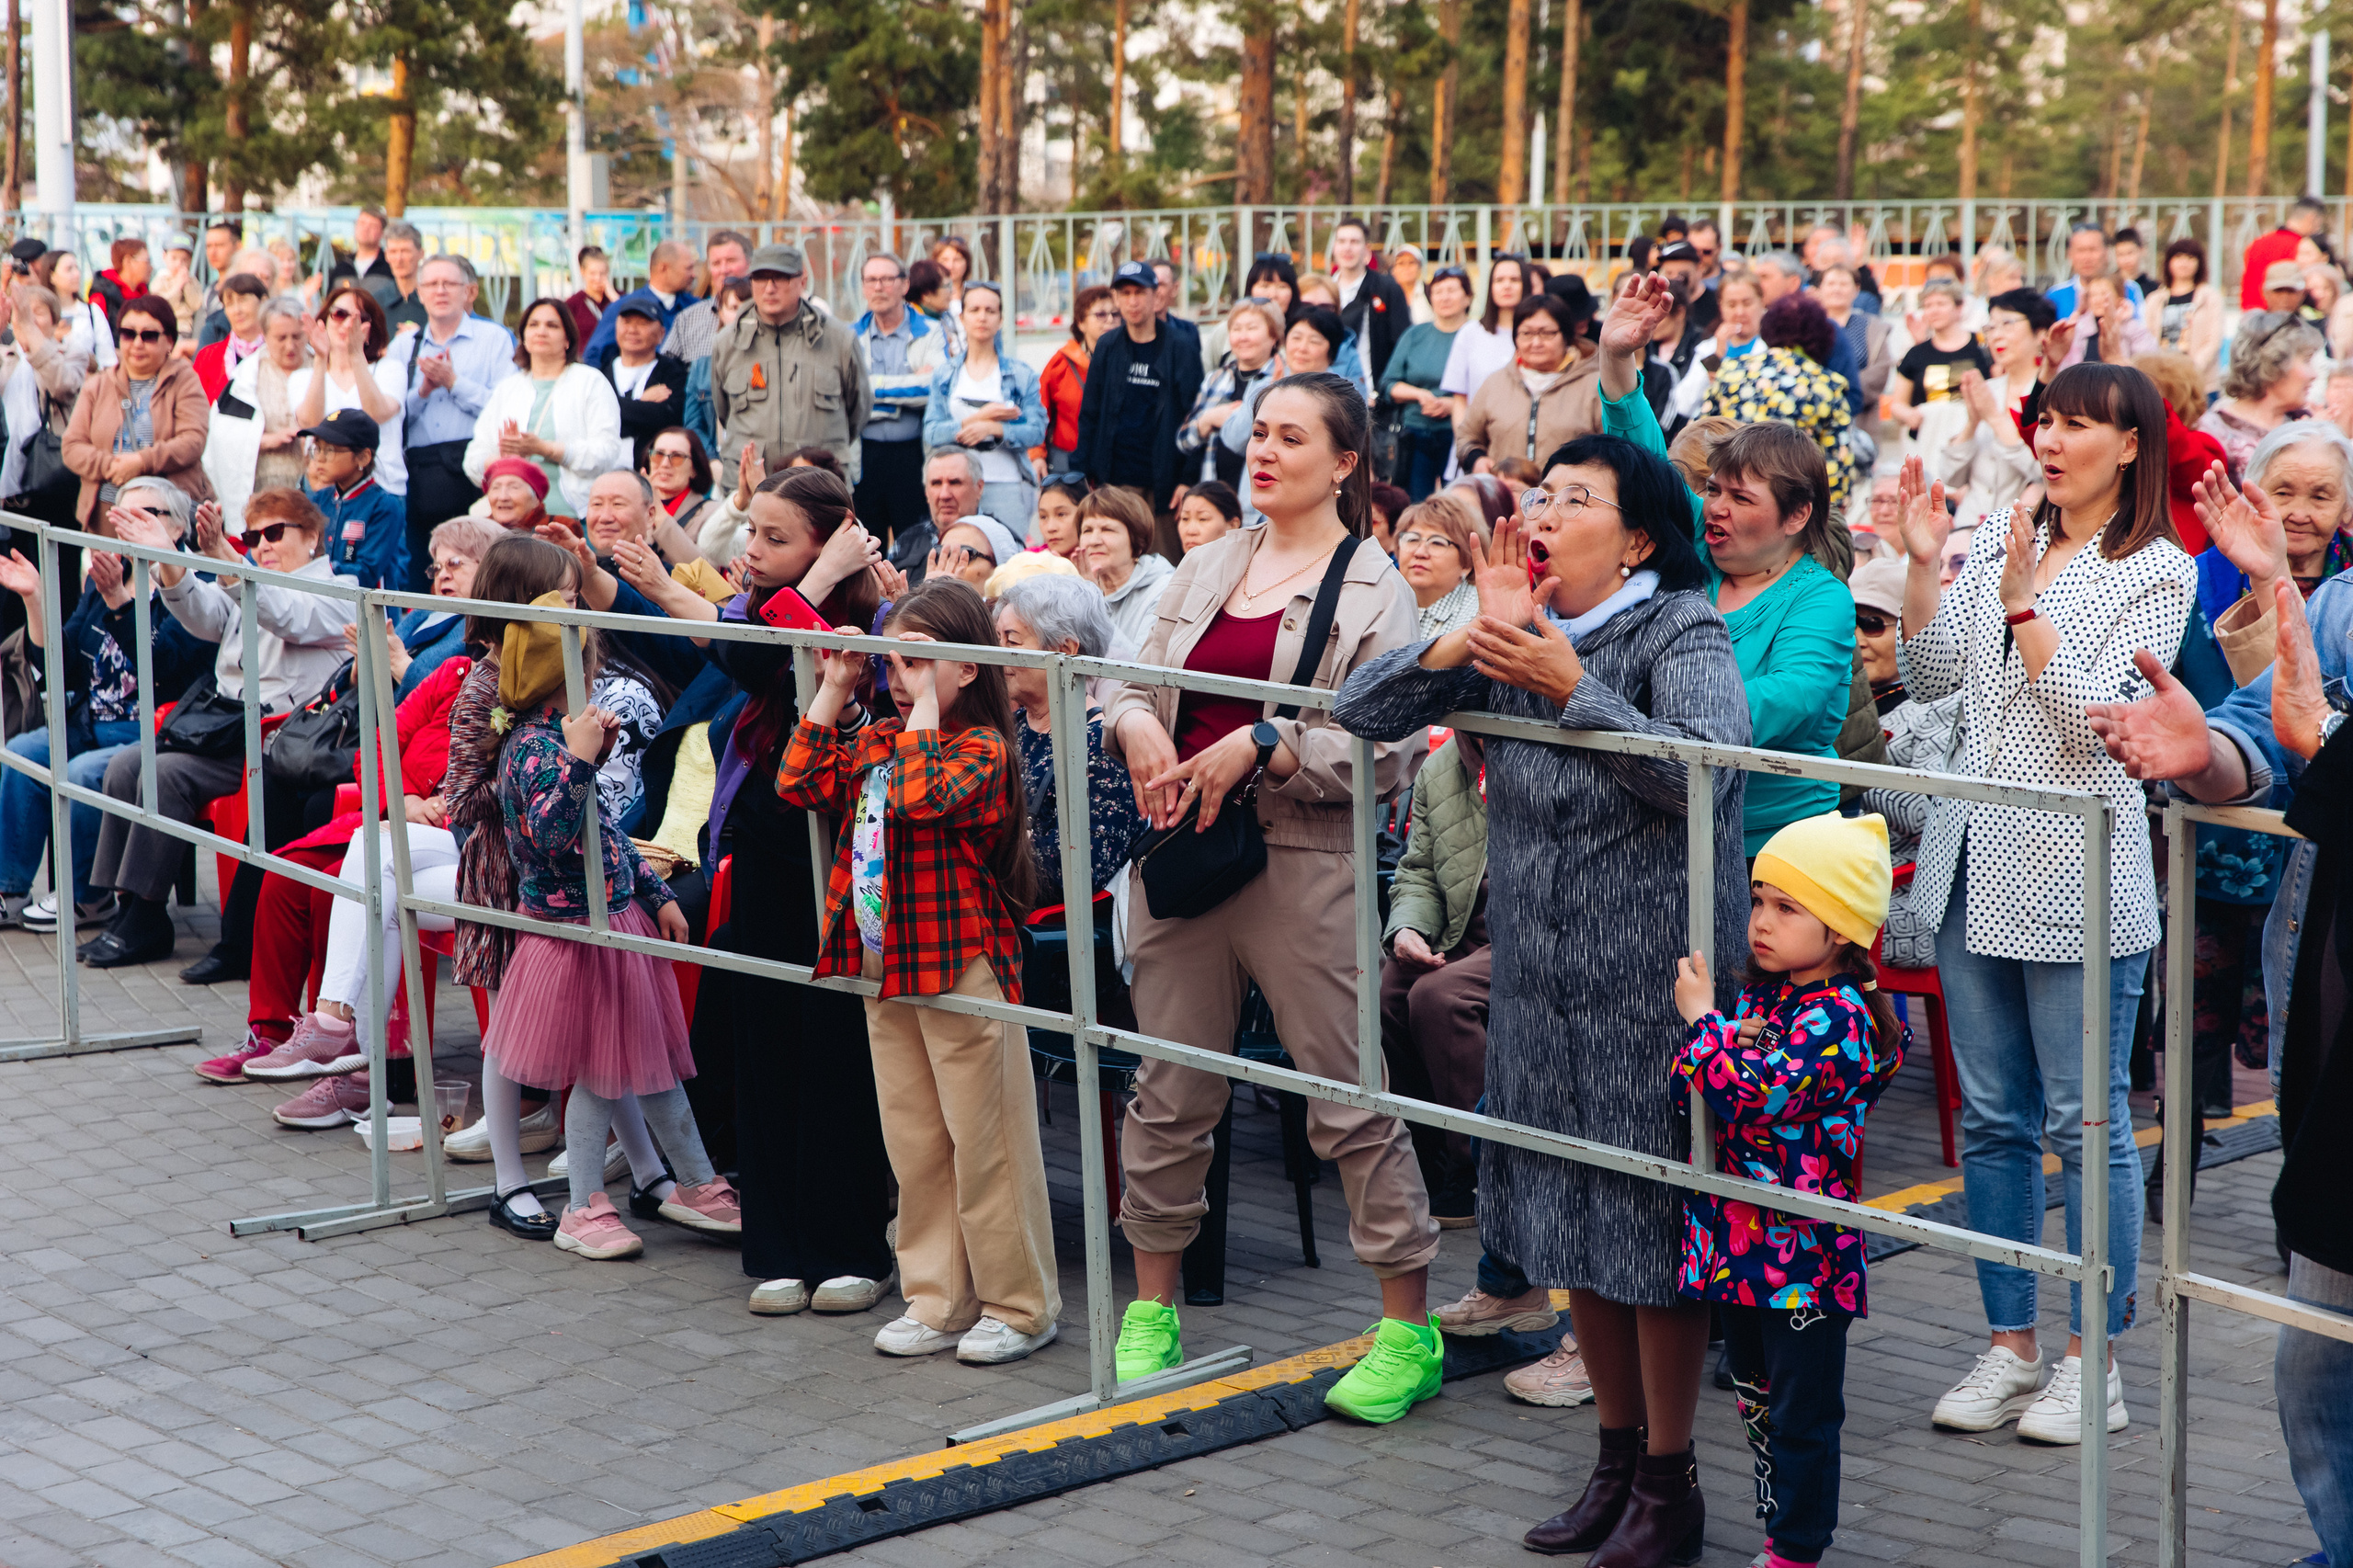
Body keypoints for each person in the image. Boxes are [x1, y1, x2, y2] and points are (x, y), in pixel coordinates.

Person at [1335, 426, 1747, 1542]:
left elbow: (1703, 772)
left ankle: (1671, 1480)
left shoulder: (1679, 623)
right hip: (1537, 977)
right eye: (1544, 494)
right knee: (1573, 1229)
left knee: (1653, 1238)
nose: (1548, 513)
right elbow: (1358, 710)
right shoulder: (1514, 626)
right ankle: (1614, 1465)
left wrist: (1574, 686)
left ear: (1637, 537)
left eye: (1577, 499)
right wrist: (1475, 629)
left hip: (1652, 984)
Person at [1103, 372, 1439, 1424]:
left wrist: (1268, 744)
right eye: (1256, 431)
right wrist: (1134, 725)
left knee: (1347, 1096)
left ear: (1345, 463)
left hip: (1299, 859)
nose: (1263, 451)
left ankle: (1406, 1326)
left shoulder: (1379, 586)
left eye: (1291, 437)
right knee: (1170, 1086)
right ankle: (1152, 1310)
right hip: (1180, 854)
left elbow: (1384, 749)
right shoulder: (1207, 561)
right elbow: (1123, 680)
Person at [1887, 362, 2196, 1444]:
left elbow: (2096, 723)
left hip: (2078, 869)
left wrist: (2020, 598)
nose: (2052, 441)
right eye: (2047, 420)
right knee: (1992, 1117)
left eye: (2078, 425)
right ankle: (2008, 1342)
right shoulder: (2007, 522)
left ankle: (2091, 1354)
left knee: (2087, 1118)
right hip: (1973, 858)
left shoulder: (2160, 569)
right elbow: (1929, 677)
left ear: (2131, 446)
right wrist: (1928, 569)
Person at [617, 464, 897, 1313]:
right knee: (766, 1041)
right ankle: (773, 1243)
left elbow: (763, 652)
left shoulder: (882, 617)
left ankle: (851, 1245)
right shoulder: (763, 602)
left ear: (835, 540)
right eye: (753, 533)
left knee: (837, 1047)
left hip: (848, 859)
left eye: (779, 538)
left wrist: (814, 582)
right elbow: (743, 648)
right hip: (768, 847)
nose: (755, 551)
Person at [778, 574, 1061, 1364]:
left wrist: (924, 715)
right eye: (893, 661)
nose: (899, 677)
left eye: (921, 660)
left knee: (986, 1142)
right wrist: (834, 688)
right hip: (885, 959)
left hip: (961, 963)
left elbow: (922, 797)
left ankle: (1021, 1305)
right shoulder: (884, 739)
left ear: (969, 667)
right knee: (916, 1142)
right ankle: (937, 1297)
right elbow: (796, 780)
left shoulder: (981, 749)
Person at [477, 593, 740, 1260]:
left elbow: (607, 836)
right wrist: (582, 761)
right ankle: (584, 1202)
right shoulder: (533, 749)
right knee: (602, 1071)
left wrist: (655, 893)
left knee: (654, 1067)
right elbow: (551, 832)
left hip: (618, 922)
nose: (596, 677)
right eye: (586, 664)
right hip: (572, 935)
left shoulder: (565, 735)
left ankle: (696, 1180)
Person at [1672, 814, 1903, 1568]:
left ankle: (1796, 1547)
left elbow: (1750, 1095)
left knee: (1801, 1412)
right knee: (1756, 1399)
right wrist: (1715, 1046)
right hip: (1742, 1246)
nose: (1762, 923)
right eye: (1759, 900)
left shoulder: (1837, 1019)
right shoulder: (1766, 1001)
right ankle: (1782, 1534)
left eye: (1787, 907)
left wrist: (1706, 1029)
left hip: (1804, 1257)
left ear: (1839, 929)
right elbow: (1689, 1089)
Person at [80, 488, 350, 969]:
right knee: (125, 765)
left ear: (312, 538)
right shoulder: (252, 581)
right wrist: (170, 560)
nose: (262, 544)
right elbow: (202, 614)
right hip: (223, 727)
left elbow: (287, 615)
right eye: (252, 536)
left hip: (275, 741)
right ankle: (128, 906)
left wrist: (228, 558)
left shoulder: (339, 592)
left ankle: (146, 915)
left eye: (274, 532)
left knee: (163, 774)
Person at [0, 480, 213, 932]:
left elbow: (166, 671)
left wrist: (122, 602)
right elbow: (63, 665)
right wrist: (35, 600)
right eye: (119, 516)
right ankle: (10, 890)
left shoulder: (196, 587)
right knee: (20, 755)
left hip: (158, 729)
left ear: (176, 529)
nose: (124, 526)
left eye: (142, 515)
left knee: (82, 775)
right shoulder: (108, 575)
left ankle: (89, 899)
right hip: (92, 721)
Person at [1379, 723, 1491, 1231]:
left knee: (1439, 997)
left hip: (1533, 936)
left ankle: (1478, 1166)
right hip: (1461, 929)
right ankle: (1421, 1157)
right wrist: (1407, 929)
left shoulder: (1548, 757)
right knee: (1390, 989)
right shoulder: (1443, 767)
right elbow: (1418, 868)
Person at [993, 574, 1147, 906]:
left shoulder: (1103, 747)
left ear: (1066, 651)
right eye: (997, 640)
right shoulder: (1013, 725)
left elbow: (1077, 871)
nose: (999, 654)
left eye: (1013, 642)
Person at [389, 253, 517, 591]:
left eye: (450, 283)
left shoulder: (494, 339)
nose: (440, 291)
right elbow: (390, 416)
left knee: (478, 569)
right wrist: (425, 391)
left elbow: (509, 408)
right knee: (422, 571)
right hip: (420, 475)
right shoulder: (404, 346)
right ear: (419, 292)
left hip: (472, 471)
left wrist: (455, 383)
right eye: (431, 284)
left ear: (469, 292)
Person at [710, 244, 872, 489]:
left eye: (781, 278)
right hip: (750, 487)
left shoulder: (838, 340)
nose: (770, 288)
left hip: (819, 487)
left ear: (802, 280)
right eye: (761, 278)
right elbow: (723, 410)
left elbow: (858, 410)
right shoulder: (728, 342)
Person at [462, 297, 626, 522]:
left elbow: (607, 453)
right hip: (515, 523)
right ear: (524, 338)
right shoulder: (508, 388)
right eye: (533, 325)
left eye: (552, 325)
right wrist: (504, 459)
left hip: (575, 516)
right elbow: (473, 460)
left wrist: (544, 448)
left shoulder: (590, 382)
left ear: (567, 339)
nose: (541, 331)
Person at [61, 296, 210, 528]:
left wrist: (142, 461)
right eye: (129, 334)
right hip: (107, 513)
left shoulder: (185, 380)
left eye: (149, 336)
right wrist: (113, 466)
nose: (137, 343)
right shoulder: (98, 384)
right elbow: (72, 447)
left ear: (169, 341)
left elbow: (192, 441)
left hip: (166, 515)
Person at [1074, 260, 1203, 511]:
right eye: (1126, 293)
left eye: (1140, 292)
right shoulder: (1108, 346)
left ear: (1155, 296)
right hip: (1114, 482)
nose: (1133, 302)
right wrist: (1082, 474)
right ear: (1116, 298)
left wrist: (1189, 480)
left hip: (1165, 485)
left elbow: (1196, 416)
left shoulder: (1181, 347)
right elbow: (1090, 414)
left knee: (1165, 552)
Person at [922, 279, 1045, 537]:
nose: (982, 317)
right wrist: (979, 418)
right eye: (975, 310)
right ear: (962, 317)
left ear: (1001, 319)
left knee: (1009, 563)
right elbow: (932, 433)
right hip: (957, 488)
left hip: (1007, 483)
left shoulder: (1020, 374)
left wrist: (995, 428)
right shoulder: (945, 374)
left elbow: (1036, 430)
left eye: (990, 311)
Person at [851, 251, 949, 549]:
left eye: (886, 279)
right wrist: (903, 388)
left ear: (904, 285)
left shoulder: (929, 332)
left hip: (912, 454)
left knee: (916, 544)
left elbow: (933, 388)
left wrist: (873, 388)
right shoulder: (849, 336)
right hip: (863, 456)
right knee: (868, 547)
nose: (878, 287)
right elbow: (847, 393)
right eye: (871, 280)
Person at [1936, 289, 2052, 532]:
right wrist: (1972, 423)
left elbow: (2043, 469)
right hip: (1968, 529)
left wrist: (1995, 419)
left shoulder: (2055, 394)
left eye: (2007, 324)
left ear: (2040, 333)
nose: (1997, 336)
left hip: (2025, 531)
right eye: (1991, 328)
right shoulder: (1986, 390)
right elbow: (1950, 477)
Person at [1454, 293, 1601, 478]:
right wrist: (1476, 459)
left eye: (1547, 333)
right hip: (1506, 497)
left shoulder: (1594, 385)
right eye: (1526, 333)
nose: (1536, 343)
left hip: (1567, 497)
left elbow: (1610, 446)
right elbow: (1467, 436)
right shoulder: (1495, 383)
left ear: (1567, 336)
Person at [290, 284, 408, 505]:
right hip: (323, 493)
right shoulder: (302, 377)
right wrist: (320, 358)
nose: (348, 324)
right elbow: (311, 423)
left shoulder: (390, 369)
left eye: (360, 318)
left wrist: (356, 355)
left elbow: (377, 414)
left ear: (372, 327)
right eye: (340, 314)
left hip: (383, 491)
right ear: (324, 320)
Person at [1385, 265, 1475, 499]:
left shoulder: (1477, 336)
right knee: (1416, 503)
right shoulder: (1414, 335)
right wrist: (1419, 394)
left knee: (1458, 502)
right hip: (1416, 433)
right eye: (1438, 291)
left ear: (1468, 297)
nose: (1444, 297)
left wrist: (1452, 405)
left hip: (1460, 435)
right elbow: (1389, 384)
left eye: (1452, 290)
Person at [1179, 299, 1286, 493]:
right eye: (1236, 329)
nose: (1242, 337)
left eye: (1252, 328)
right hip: (1216, 495)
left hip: (1264, 495)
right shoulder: (1216, 378)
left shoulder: (1284, 378)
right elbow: (1184, 441)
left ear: (1274, 335)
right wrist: (1207, 421)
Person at [2200, 312, 2323, 479]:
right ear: (2274, 363)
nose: (2314, 374)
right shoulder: (2213, 432)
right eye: (2307, 360)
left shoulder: (2305, 422)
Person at [301, 407, 407, 590]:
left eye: (330, 450)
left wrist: (314, 569)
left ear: (363, 457)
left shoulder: (384, 506)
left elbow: (367, 572)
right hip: (322, 602)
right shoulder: (317, 501)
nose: (319, 458)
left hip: (369, 612)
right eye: (317, 449)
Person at [2136, 351, 2230, 555]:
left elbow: (2181, 455)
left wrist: (2156, 409)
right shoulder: (2131, 444)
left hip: (2174, 559)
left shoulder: (2201, 445)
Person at [1889, 279, 1991, 439]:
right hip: (1930, 437)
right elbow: (1898, 404)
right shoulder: (1916, 354)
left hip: (1976, 434)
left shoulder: (1982, 347)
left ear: (1959, 308)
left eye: (1941, 304)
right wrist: (1909, 414)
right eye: (1928, 306)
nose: (1934, 311)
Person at [595, 296, 689, 465]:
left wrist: (615, 411)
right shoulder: (599, 375)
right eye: (627, 322)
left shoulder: (672, 373)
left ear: (661, 334)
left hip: (651, 473)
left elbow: (667, 419)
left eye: (643, 323)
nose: (632, 330)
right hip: (602, 474)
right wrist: (641, 403)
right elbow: (592, 424)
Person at [1438, 256, 1540, 415]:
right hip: (1477, 434)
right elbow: (1460, 400)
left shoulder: (1540, 335)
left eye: (1514, 280)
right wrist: (1466, 440)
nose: (1507, 286)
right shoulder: (1470, 332)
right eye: (1499, 280)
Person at [1075, 483, 1172, 647]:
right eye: (1087, 530)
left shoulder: (1164, 591)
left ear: (1136, 541)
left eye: (1107, 530)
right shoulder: (1079, 589)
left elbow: (1138, 667)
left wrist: (1095, 607)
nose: (1094, 541)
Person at [579, 238, 698, 366]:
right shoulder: (623, 308)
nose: (694, 274)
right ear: (664, 268)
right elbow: (594, 356)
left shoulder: (697, 308)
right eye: (688, 268)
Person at [1039, 286, 1114, 479]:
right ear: (1081, 322)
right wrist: (1037, 455)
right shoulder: (1061, 363)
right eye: (1100, 315)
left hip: (1115, 464)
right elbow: (1039, 411)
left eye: (1115, 314)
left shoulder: (1128, 359)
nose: (1110, 320)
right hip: (1069, 464)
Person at [1330, 218, 1411, 387]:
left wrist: (1384, 390)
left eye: (1355, 242)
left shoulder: (1388, 289)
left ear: (1366, 249)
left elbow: (1401, 343)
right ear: (1334, 247)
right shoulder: (1325, 290)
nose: (1347, 248)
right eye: (1342, 241)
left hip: (1372, 393)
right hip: (1329, 391)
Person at [1392, 492, 1483, 638]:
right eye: (1412, 539)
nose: (1420, 553)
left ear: (1467, 561)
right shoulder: (1383, 600)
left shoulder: (1477, 612)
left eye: (1437, 543)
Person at [660, 229, 755, 367]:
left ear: (750, 264)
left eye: (731, 261)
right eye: (716, 263)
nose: (724, 270)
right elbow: (665, 369)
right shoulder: (688, 319)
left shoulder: (766, 314)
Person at [683, 277, 754, 455]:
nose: (741, 315)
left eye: (749, 307)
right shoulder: (702, 364)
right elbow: (693, 425)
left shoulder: (770, 360)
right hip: (717, 460)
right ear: (720, 312)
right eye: (734, 308)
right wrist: (712, 460)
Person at [2151, 239, 2224, 386]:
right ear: (2168, 262)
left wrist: (2192, 368)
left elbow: (2214, 340)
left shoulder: (2210, 297)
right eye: (2178, 257)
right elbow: (2148, 338)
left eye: (2190, 258)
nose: (2184, 263)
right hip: (2163, 380)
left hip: (2200, 381)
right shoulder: (2155, 299)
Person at [191, 272, 271, 403]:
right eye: (229, 304)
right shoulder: (208, 357)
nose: (237, 310)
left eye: (243, 300)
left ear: (263, 301)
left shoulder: (280, 352)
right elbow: (195, 408)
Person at [2242, 194, 2329, 312]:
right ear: (2311, 218)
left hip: (2251, 315)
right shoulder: (2301, 248)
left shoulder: (2257, 243)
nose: (2317, 230)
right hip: (2283, 316)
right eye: (2319, 224)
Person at [2055, 273, 2157, 369]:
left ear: (2119, 298)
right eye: (2092, 295)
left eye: (2104, 294)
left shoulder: (2134, 329)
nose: (2097, 300)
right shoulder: (2079, 329)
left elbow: (2147, 365)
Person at [38, 250, 116, 373]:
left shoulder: (91, 312)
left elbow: (108, 359)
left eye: (77, 268)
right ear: (52, 276)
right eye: (69, 269)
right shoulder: (41, 314)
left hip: (89, 386)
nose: (77, 274)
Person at [642, 425, 719, 547]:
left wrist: (660, 513)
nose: (665, 464)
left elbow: (706, 565)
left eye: (677, 457)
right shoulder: (637, 508)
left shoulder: (712, 514)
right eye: (658, 455)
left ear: (694, 469)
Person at [2049, 222, 2143, 318]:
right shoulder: (2056, 295)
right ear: (2070, 255)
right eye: (2081, 250)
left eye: (2092, 250)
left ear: (2106, 253)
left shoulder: (2128, 289)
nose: (2087, 258)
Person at [152, 234, 203, 354]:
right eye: (174, 258)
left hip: (186, 330)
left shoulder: (192, 281)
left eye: (184, 260)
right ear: (164, 257)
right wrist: (177, 286)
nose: (179, 263)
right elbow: (162, 306)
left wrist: (187, 285)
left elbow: (196, 304)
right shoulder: (161, 279)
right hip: (165, 328)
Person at [89, 237, 151, 335]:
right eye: (147, 261)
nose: (151, 267)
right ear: (128, 261)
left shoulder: (144, 293)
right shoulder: (102, 295)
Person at [372, 222, 426, 332]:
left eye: (405, 251)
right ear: (386, 255)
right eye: (393, 252)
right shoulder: (376, 302)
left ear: (421, 253)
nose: (399, 259)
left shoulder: (434, 299)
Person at [565, 244, 618, 346]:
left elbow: (629, 317)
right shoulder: (573, 303)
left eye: (602, 273)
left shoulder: (618, 297)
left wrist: (613, 296)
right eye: (592, 273)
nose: (598, 278)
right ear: (583, 271)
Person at [327, 208, 391, 290]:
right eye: (362, 223)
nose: (366, 229)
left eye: (373, 225)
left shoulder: (390, 266)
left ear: (382, 232)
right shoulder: (342, 267)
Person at [1175, 480, 1240, 555]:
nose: (1191, 531)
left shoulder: (1248, 565)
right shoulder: (1167, 566)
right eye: (1185, 518)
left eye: (1203, 519)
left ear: (1233, 525)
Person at [1033, 474, 1086, 561]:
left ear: (1086, 515)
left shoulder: (1107, 563)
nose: (1050, 528)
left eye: (1061, 514)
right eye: (1043, 517)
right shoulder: (1030, 564)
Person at [1388, 243, 1432, 325]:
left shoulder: (1430, 292)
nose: (1406, 267)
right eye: (1401, 263)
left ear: (1420, 268)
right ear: (1393, 269)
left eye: (1411, 262)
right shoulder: (1387, 295)